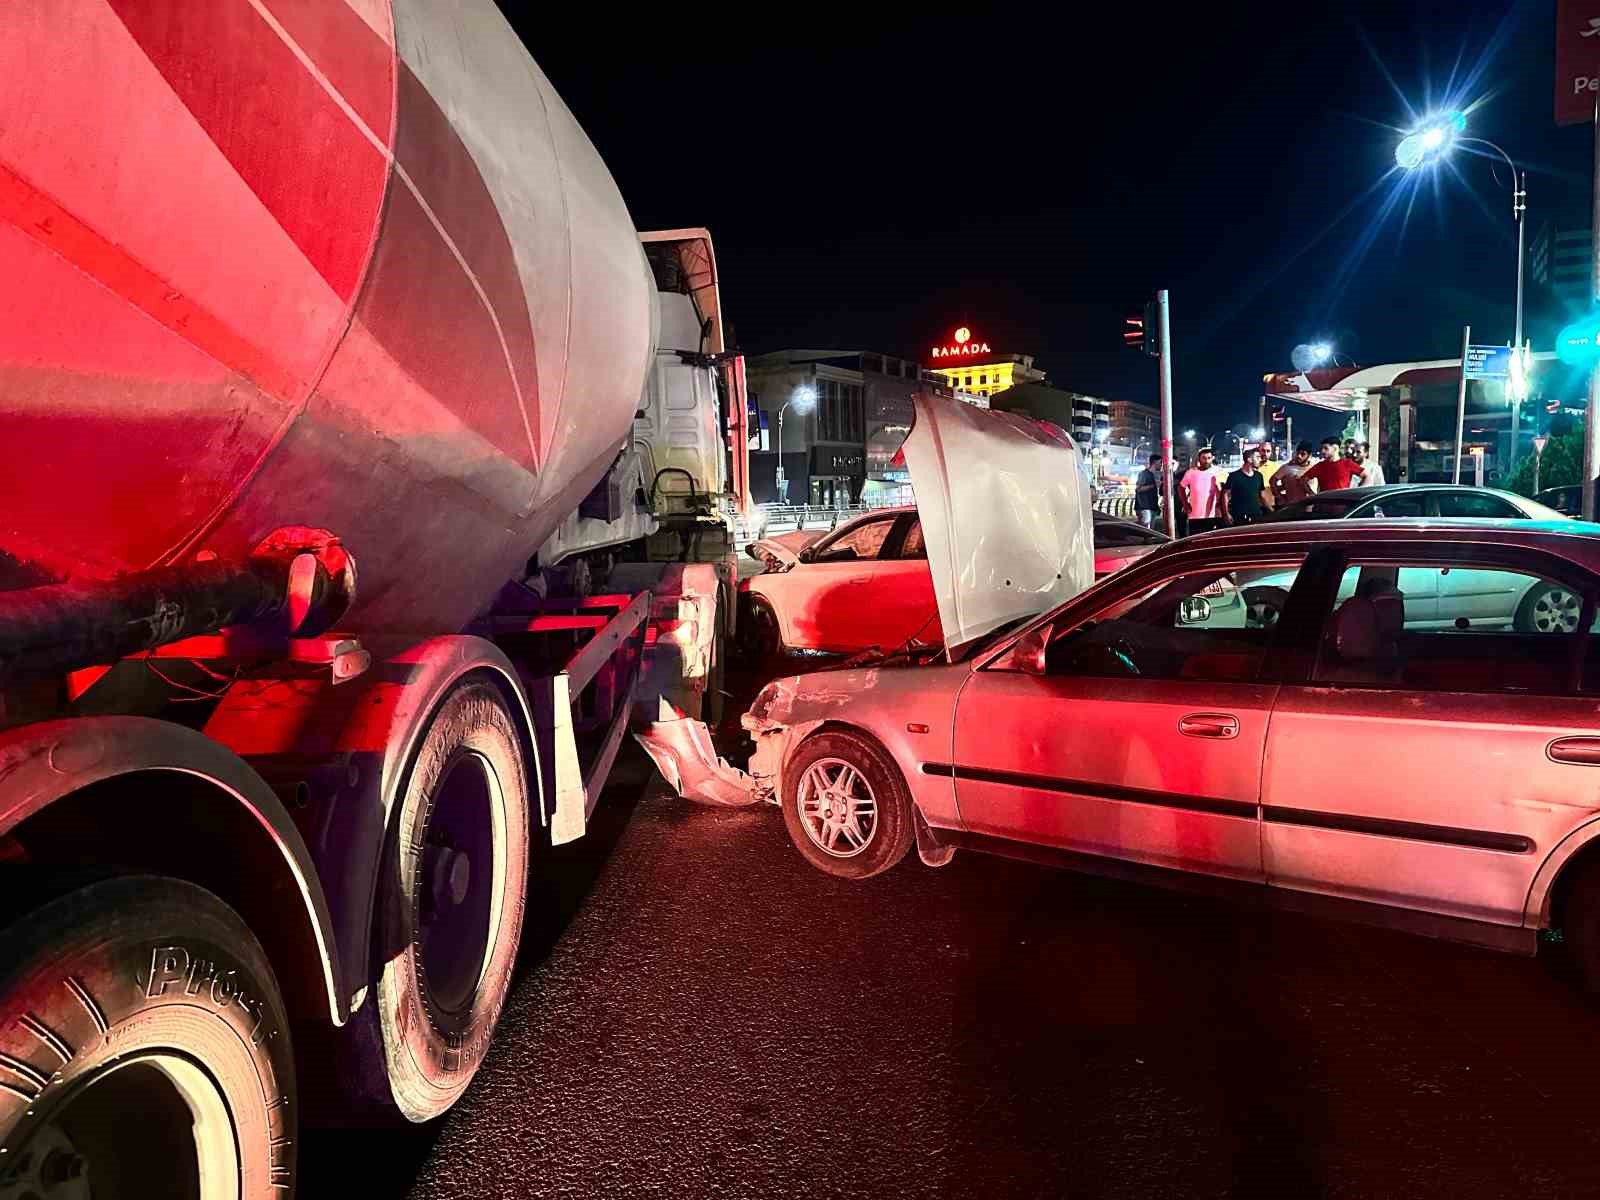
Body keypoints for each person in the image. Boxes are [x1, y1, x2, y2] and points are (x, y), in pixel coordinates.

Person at [1222, 446, 1271, 525]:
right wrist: (1226, 513)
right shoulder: (1234, 476)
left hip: (1257, 516)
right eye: (1257, 457)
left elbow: (1262, 496)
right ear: (1249, 459)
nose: (1260, 459)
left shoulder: (1259, 476)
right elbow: (1225, 495)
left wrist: (1271, 510)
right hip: (1239, 517)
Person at [1180, 447, 1225, 533]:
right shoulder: (1191, 472)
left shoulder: (1219, 471)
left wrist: (1221, 503)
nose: (1206, 461)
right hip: (1195, 515)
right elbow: (1181, 487)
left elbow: (1226, 489)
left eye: (1209, 458)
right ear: (1199, 459)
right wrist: (1185, 504)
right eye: (1204, 458)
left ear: (1212, 458)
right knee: (1196, 540)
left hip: (1214, 514)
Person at [1271, 441, 1314, 508]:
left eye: (1303, 454)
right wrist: (1279, 497)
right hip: (1291, 507)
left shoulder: (1314, 468)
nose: (1299, 456)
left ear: (1309, 455)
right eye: (1298, 453)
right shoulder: (1287, 467)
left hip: (1310, 507)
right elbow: (1272, 481)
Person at [1133, 454, 1162, 528]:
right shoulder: (1144, 474)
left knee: (1150, 530)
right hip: (1144, 506)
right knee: (1146, 528)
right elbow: (1138, 489)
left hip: (1152, 507)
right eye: (1160, 462)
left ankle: (1145, 539)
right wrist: (1153, 485)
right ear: (1155, 462)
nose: (1161, 465)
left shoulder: (1154, 475)